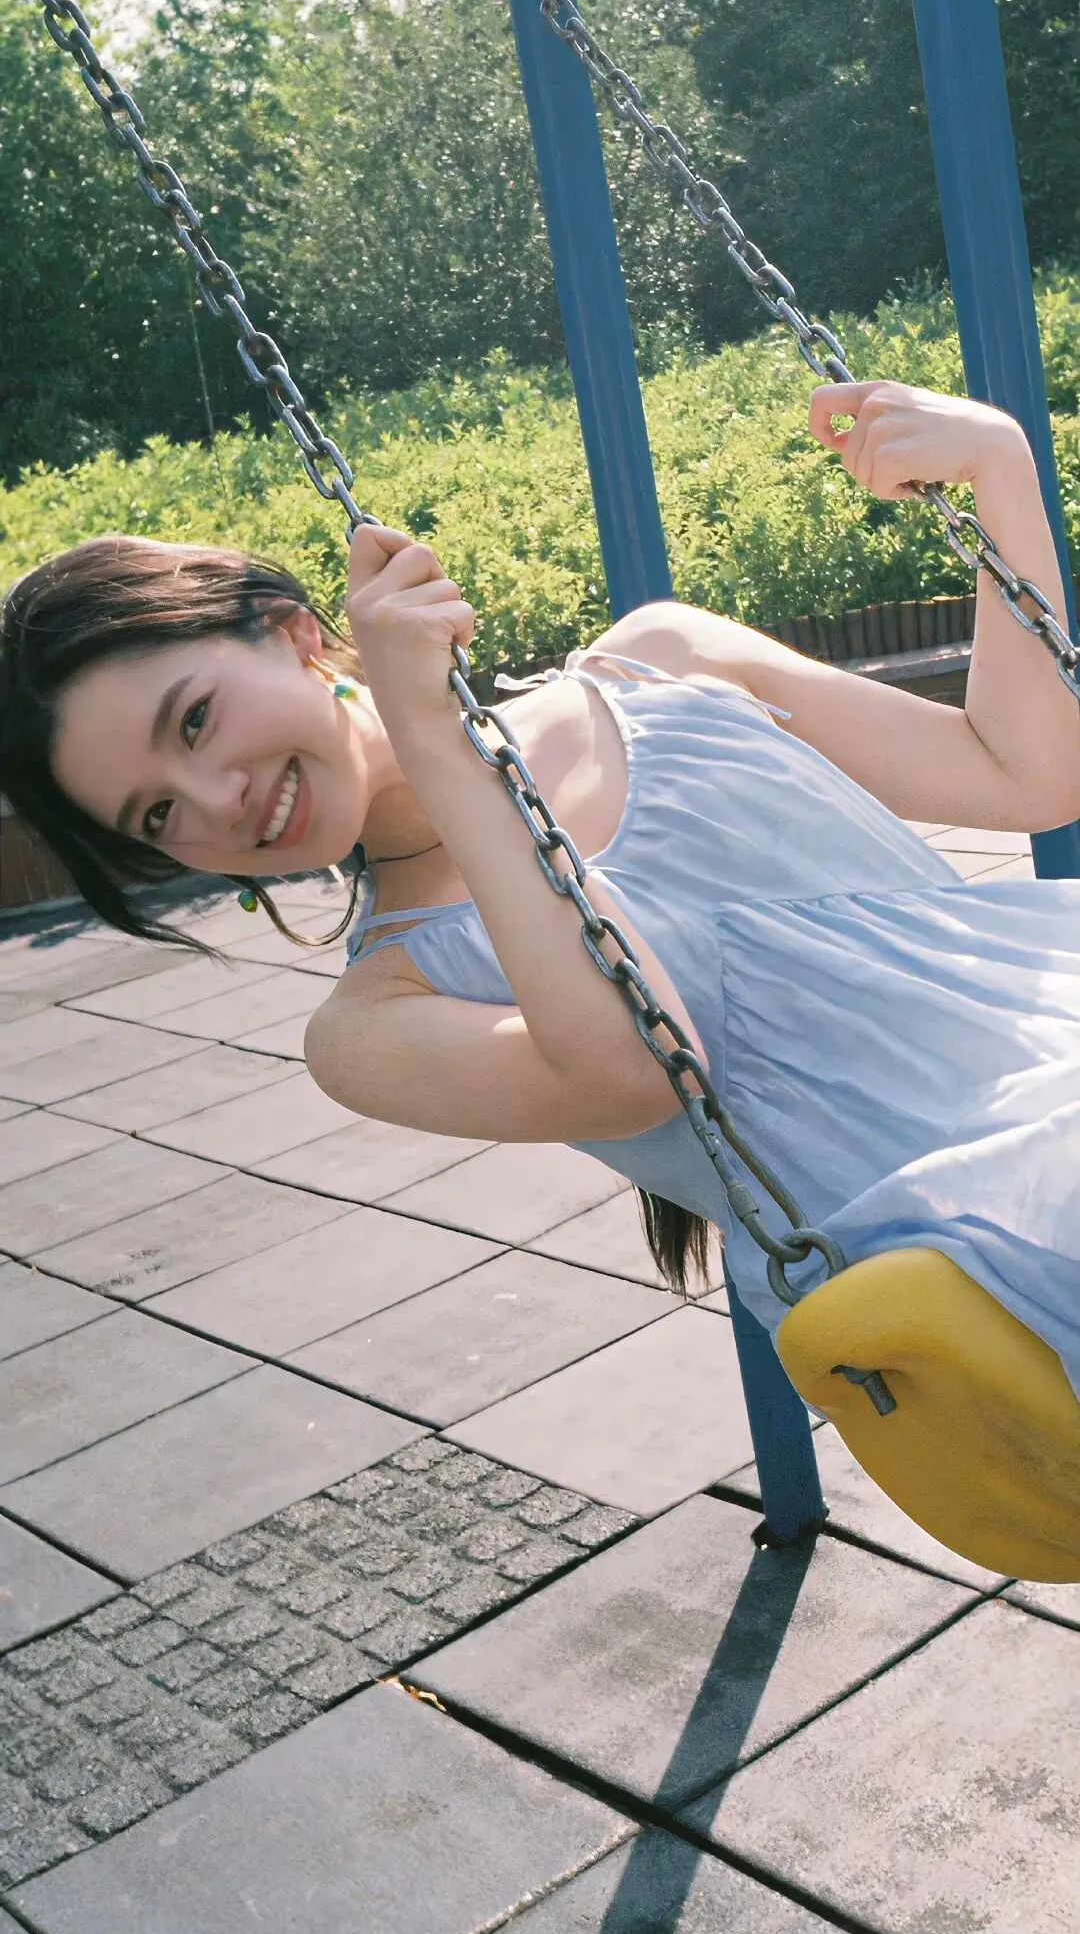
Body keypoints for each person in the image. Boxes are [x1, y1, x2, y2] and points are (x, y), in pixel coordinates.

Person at [3, 381, 1079, 1401]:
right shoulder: (372, 1023)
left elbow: (1021, 774)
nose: (216, 802)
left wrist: (1000, 467)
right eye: (157, 816)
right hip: (975, 1254)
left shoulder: (661, 664)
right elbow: (641, 1069)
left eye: (194, 721)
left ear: (292, 634)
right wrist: (435, 741)